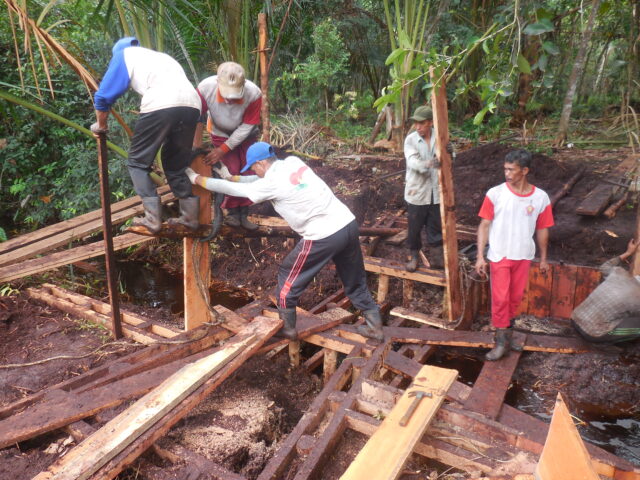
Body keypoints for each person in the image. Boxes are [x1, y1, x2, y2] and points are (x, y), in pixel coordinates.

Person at [184, 142, 384, 341]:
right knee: (354, 279)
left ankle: (288, 327)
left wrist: (197, 179)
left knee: (288, 274)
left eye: (253, 167)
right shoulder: (292, 162)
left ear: (261, 163)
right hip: (347, 224)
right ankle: (375, 326)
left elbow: (232, 189)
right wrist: (231, 176)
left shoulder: (270, 183)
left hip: (323, 234)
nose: (254, 171)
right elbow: (257, 180)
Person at [91, 37, 202, 234]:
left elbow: (103, 97)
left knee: (137, 163)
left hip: (162, 103)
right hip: (193, 105)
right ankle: (190, 218)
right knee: (175, 165)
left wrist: (100, 126)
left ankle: (152, 220)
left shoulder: (123, 55)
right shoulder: (161, 58)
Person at [475, 149, 554, 361]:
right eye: (505, 169)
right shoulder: (495, 194)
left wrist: (544, 258)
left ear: (525, 170)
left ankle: (507, 339)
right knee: (500, 299)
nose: (507, 173)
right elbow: (484, 225)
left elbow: (543, 228)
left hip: (524, 255)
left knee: (514, 299)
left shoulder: (540, 197)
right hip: (500, 254)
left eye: (511, 169)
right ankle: (500, 342)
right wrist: (480, 256)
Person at [194, 62, 262, 231]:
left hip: (247, 134)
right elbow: (197, 117)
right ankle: (232, 213)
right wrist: (195, 147)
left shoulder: (253, 93)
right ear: (218, 82)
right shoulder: (204, 89)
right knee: (230, 170)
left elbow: (247, 125)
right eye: (226, 95)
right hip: (220, 132)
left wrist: (223, 149)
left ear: (243, 85)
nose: (229, 100)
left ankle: (244, 213)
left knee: (248, 169)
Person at [572, 239, 640, 343]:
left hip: (574, 319)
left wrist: (628, 253)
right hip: (592, 333)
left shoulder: (619, 273)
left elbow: (604, 267)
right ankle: (605, 344)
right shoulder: (637, 298)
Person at [403, 105, 443, 271]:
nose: (418, 127)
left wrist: (450, 153)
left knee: (435, 226)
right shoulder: (411, 140)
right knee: (414, 227)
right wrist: (428, 164)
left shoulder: (440, 137)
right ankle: (413, 256)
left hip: (436, 192)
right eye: (416, 123)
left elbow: (449, 159)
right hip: (417, 192)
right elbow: (413, 162)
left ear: (430, 123)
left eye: (422, 123)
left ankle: (437, 257)